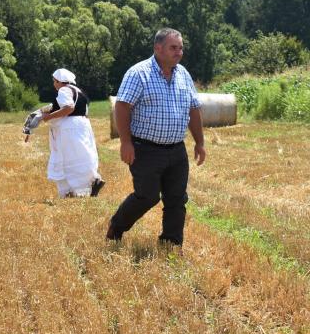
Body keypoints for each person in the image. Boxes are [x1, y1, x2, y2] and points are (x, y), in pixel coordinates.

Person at [107, 28, 206, 247]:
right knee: (147, 196)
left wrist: (199, 142)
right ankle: (117, 226)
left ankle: (171, 243)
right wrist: (125, 142)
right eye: (173, 47)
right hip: (145, 149)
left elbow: (194, 109)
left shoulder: (183, 74)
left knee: (177, 199)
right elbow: (122, 107)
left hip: (177, 150)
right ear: (157, 48)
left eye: (180, 48)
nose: (178, 52)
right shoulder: (139, 73)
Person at [39, 68, 104, 198]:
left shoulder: (64, 90)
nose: (54, 84)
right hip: (83, 125)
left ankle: (68, 192)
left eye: (54, 81)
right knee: (83, 155)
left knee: (67, 158)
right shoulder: (80, 92)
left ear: (59, 81)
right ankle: (92, 180)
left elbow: (69, 108)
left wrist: (49, 117)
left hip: (70, 128)